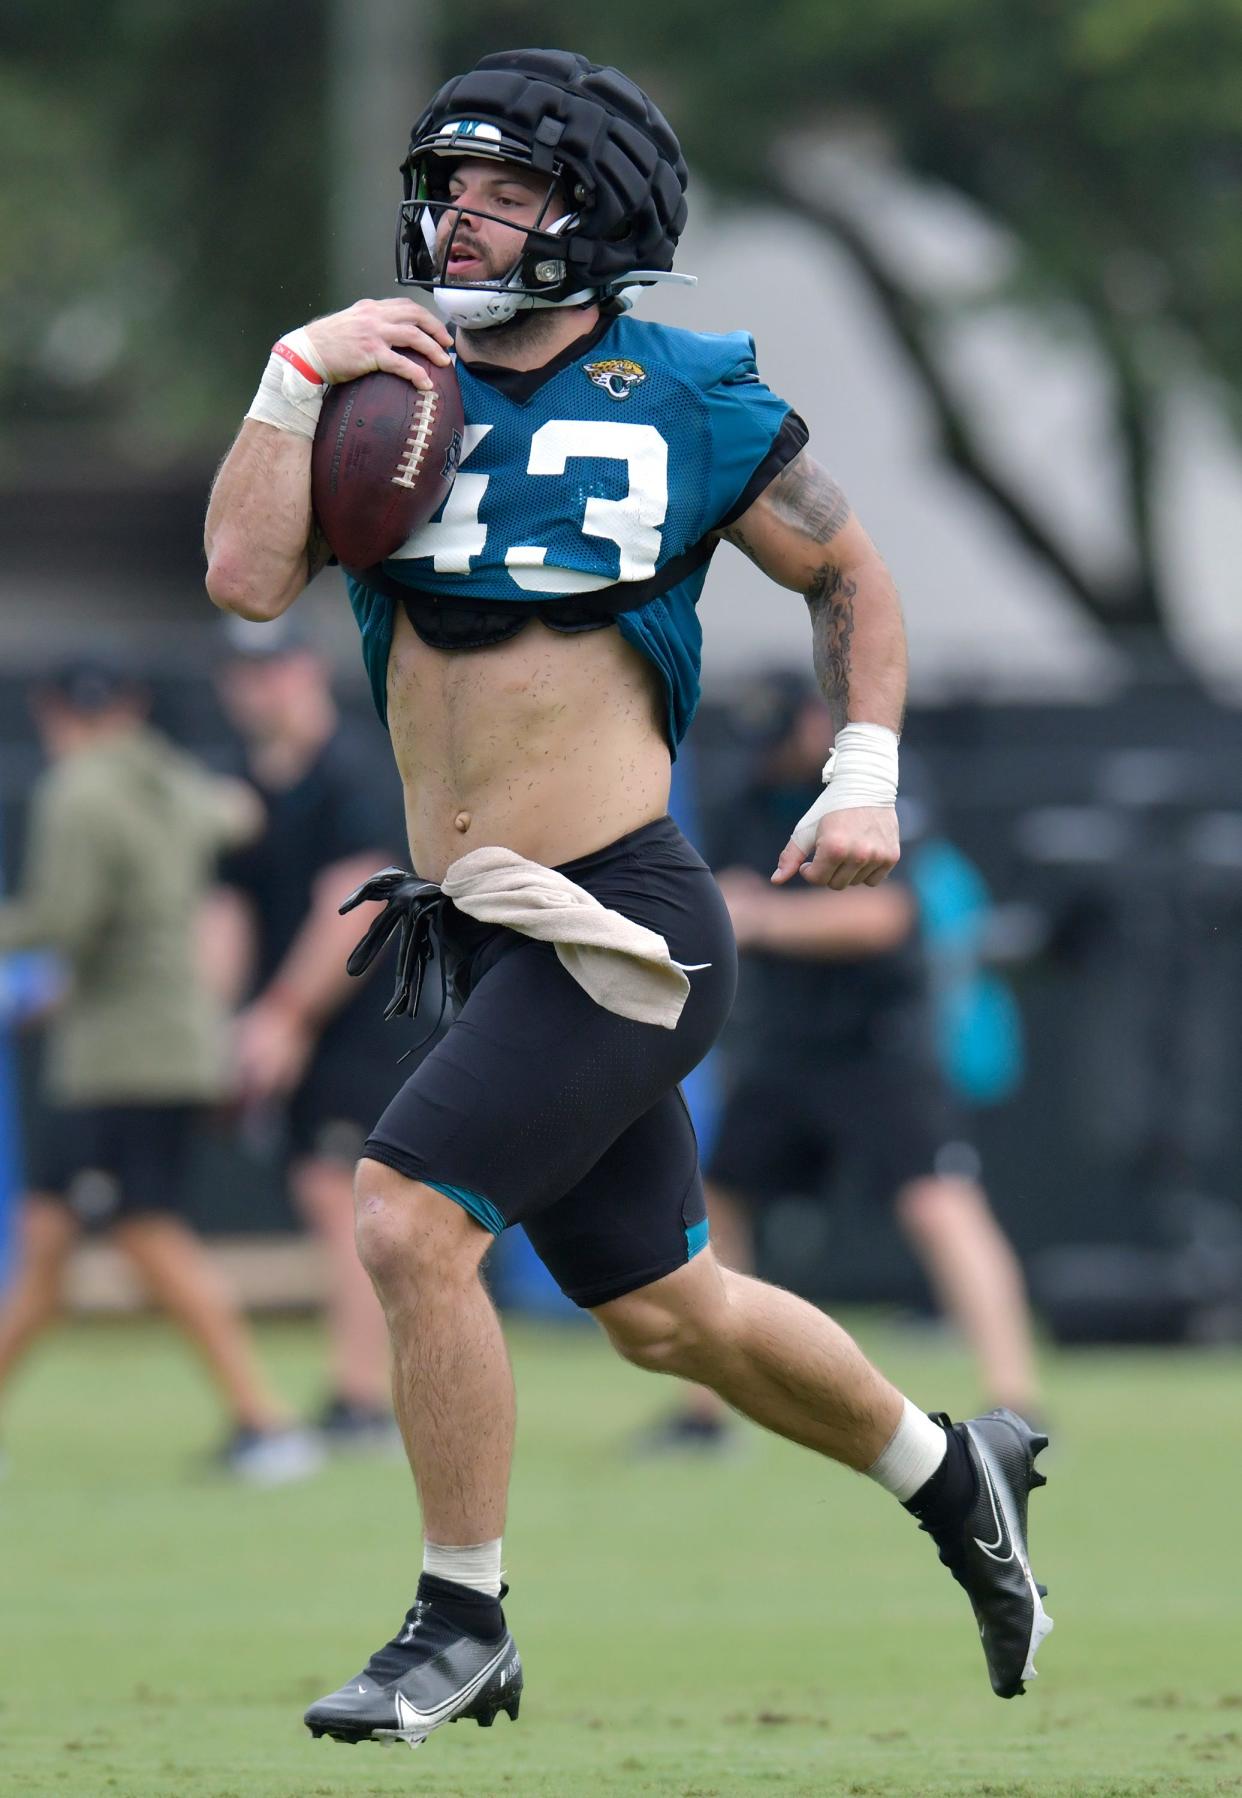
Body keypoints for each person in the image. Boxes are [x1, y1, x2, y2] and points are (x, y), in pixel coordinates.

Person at [204, 48, 1053, 1748]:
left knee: (403, 1218)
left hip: (623, 912)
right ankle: (947, 1467)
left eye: (500, 189)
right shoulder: (380, 379)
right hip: (486, 922)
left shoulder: (685, 391)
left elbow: (849, 572)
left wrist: (864, 769)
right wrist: (294, 377)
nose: (458, 215)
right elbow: (242, 578)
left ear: (590, 215)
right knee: (670, 1312)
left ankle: (462, 1618)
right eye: (447, 185)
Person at [640, 672, 1042, 1454]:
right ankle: (707, 1414)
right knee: (715, 1204)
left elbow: (883, 915)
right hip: (787, 1042)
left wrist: (764, 919)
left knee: (938, 1202)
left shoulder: (872, 787)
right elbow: (716, 900)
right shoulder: (746, 796)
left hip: (878, 1043)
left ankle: (1016, 1403)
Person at [0, 660, 321, 1485]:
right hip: (171, 1038)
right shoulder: (179, 784)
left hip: (119, 1056)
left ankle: (267, 1420)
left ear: (49, 710)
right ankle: (265, 1420)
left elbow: (61, 920)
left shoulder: (77, 794)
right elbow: (242, 817)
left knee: (147, 1229)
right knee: (47, 1240)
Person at [209, 617, 409, 1448]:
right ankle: (362, 1394)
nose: (260, 688)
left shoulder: (353, 770)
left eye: (274, 670)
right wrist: (225, 1026)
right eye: (244, 674)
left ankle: (362, 1400)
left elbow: (354, 903)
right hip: (286, 1025)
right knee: (328, 1198)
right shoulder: (241, 786)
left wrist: (283, 1013)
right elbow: (221, 917)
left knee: (348, 1203)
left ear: (307, 672)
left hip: (369, 1019)